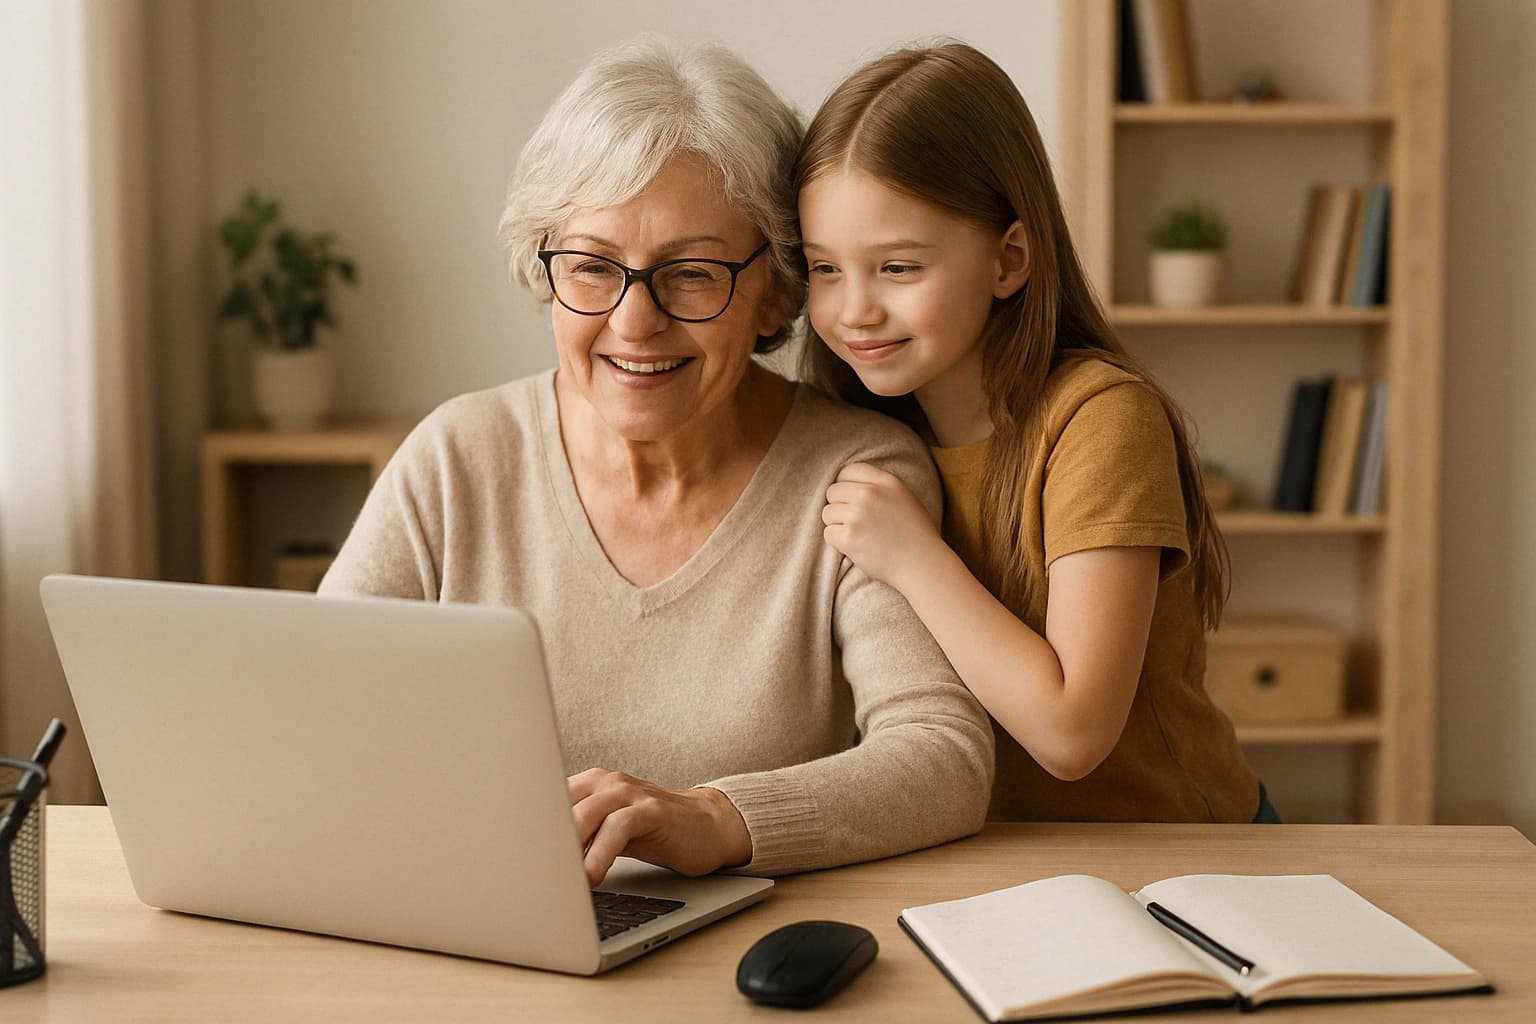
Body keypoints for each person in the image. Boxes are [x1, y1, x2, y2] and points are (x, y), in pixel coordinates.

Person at [319, 36, 994, 885]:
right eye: (594, 267)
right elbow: (315, 717)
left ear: (777, 289)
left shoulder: (857, 476)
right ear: (545, 264)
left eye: (693, 272)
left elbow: (944, 760)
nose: (635, 323)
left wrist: (721, 818)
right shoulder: (457, 458)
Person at [795, 42, 1276, 824]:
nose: (854, 311)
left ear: (1009, 258)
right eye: (825, 269)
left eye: (899, 268)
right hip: (1002, 860)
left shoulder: (1101, 421)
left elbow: (1071, 731)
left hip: (1183, 859)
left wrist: (917, 559)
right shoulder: (863, 428)